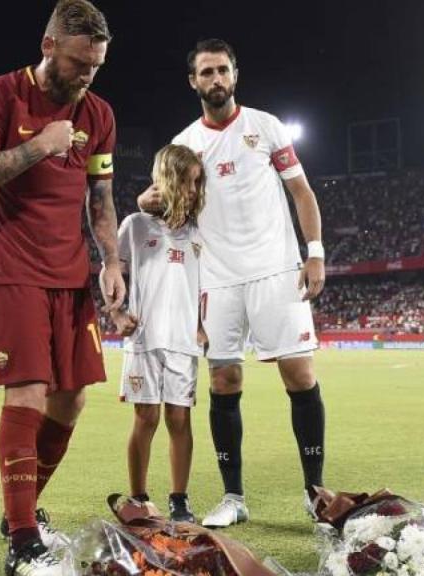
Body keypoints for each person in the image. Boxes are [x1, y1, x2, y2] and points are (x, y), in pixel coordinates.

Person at [0, 1, 124, 573]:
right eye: (80, 62)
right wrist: (40, 146)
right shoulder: (1, 95)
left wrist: (112, 263)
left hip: (72, 274)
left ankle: (19, 510)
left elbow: (100, 199)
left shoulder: (98, 113)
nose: (87, 75)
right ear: (49, 45)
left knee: (71, 399)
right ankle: (24, 541)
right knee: (26, 393)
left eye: (97, 65)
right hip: (14, 269)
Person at [138, 38, 329, 528]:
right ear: (193, 82)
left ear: (235, 75)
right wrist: (149, 202)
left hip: (276, 269)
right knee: (225, 381)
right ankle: (233, 497)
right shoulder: (184, 145)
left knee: (300, 377)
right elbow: (160, 203)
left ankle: (314, 491)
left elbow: (301, 192)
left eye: (222, 70)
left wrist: (315, 254)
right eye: (206, 72)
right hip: (217, 278)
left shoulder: (266, 126)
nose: (215, 79)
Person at [113, 144, 206, 523]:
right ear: (170, 179)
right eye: (189, 182)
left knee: (180, 421)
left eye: (198, 183)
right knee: (146, 417)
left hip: (183, 341)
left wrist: (203, 325)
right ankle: (138, 497)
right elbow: (113, 275)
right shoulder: (134, 225)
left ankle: (179, 500)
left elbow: (207, 286)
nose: (194, 190)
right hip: (144, 338)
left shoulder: (201, 233)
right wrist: (118, 314)